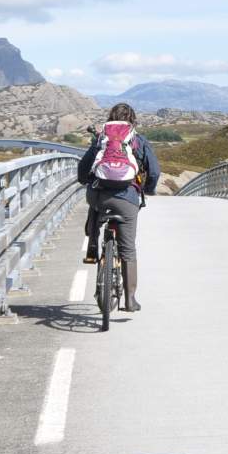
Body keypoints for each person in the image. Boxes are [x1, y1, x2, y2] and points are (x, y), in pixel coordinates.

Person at [78, 102, 162, 312]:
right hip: (127, 200)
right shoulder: (138, 140)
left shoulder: (101, 139)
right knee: (128, 249)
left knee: (95, 204)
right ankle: (130, 300)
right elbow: (154, 172)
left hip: (99, 197)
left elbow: (84, 167)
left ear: (111, 118)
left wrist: (84, 180)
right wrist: (148, 190)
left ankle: (93, 244)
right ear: (132, 120)